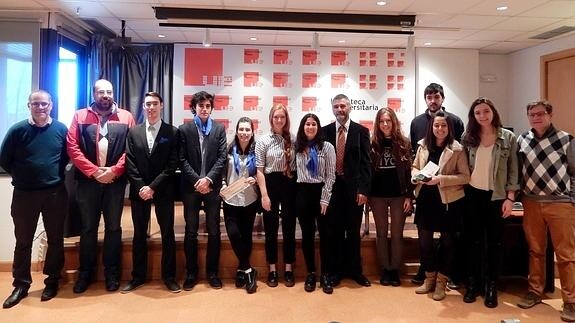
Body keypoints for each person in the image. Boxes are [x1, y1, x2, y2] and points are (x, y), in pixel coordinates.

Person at [0, 90, 68, 308]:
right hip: (24, 194)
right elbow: (4, 159)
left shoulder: (60, 129)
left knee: (56, 239)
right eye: (36, 104)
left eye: (44, 104)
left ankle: (52, 280)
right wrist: (23, 175)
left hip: (55, 194)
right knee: (23, 241)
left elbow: (66, 157)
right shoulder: (17, 130)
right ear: (28, 106)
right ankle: (21, 285)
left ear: (51, 105)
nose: (40, 108)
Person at [67, 79, 135, 293]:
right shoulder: (80, 116)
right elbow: (72, 147)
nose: (105, 95)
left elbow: (131, 149)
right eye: (101, 92)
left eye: (109, 91)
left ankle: (112, 273)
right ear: (94, 94)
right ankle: (85, 273)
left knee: (113, 228)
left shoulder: (126, 117)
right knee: (88, 228)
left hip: (115, 182)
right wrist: (94, 171)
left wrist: (114, 171)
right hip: (88, 183)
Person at [516, 100, 575, 322]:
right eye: (531, 114)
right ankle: (535, 292)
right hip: (531, 203)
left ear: (550, 114)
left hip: (560, 203)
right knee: (536, 250)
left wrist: (572, 201)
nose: (536, 118)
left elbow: (574, 172)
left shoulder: (566, 140)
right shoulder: (522, 139)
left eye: (540, 114)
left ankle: (570, 301)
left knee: (566, 255)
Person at [461, 97, 519, 308]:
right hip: (473, 196)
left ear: (493, 111)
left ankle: (491, 285)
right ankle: (472, 284)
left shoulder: (509, 138)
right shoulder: (468, 137)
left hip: (497, 197)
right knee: (473, 242)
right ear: (473, 116)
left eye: (486, 111)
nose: (482, 116)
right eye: (478, 113)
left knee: (495, 243)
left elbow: (514, 170)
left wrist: (510, 198)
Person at [121, 92, 180, 294]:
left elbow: (172, 165)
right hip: (139, 191)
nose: (151, 107)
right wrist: (141, 187)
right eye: (147, 104)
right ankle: (138, 276)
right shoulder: (134, 132)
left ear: (161, 105)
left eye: (155, 103)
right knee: (139, 235)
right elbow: (129, 162)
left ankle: (169, 277)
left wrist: (153, 186)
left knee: (167, 235)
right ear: (143, 107)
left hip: (163, 190)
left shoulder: (172, 132)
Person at [409, 82, 465, 286]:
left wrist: (442, 179)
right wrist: (417, 176)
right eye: (429, 97)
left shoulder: (456, 122)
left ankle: (445, 276)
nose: (433, 101)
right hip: (425, 194)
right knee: (424, 238)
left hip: (448, 195)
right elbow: (415, 159)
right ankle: (427, 274)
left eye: (437, 97)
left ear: (442, 98)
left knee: (449, 239)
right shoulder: (416, 124)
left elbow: (461, 162)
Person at [179, 91, 227, 290]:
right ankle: (191, 273)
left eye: (207, 105)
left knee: (214, 231)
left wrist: (208, 179)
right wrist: (197, 180)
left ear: (211, 108)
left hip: (212, 187)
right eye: (201, 106)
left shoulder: (219, 129)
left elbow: (222, 157)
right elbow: (181, 159)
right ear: (194, 108)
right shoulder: (184, 129)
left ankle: (213, 273)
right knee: (191, 232)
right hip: (191, 188)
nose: (204, 109)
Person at [322, 94, 371, 287]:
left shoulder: (361, 131)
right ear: (332, 109)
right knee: (334, 232)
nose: (340, 110)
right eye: (336, 107)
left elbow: (366, 163)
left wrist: (364, 190)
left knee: (352, 231)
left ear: (350, 107)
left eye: (343, 106)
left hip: (354, 191)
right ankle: (336, 271)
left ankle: (355, 271)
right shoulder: (324, 132)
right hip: (332, 189)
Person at [369, 107, 413, 287]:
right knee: (380, 233)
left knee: (396, 233)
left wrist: (409, 196)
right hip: (377, 195)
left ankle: (394, 269)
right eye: (382, 121)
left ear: (394, 122)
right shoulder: (372, 144)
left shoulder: (404, 142)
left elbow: (410, 172)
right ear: (377, 124)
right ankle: (385, 269)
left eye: (388, 121)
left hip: (398, 195)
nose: (385, 124)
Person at [255, 104, 297, 287]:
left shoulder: (294, 139)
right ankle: (272, 270)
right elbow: (259, 170)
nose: (279, 120)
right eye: (276, 117)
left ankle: (288, 269)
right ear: (271, 119)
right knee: (270, 230)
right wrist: (264, 195)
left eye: (282, 117)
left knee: (289, 229)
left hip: (289, 184)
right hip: (270, 185)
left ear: (286, 119)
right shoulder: (263, 141)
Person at [294, 113, 336, 294]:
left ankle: (325, 274)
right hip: (302, 193)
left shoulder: (326, 147)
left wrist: (325, 198)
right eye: (307, 124)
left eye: (313, 124)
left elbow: (331, 175)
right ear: (303, 127)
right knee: (307, 235)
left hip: (321, 192)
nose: (310, 127)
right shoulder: (297, 147)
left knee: (326, 236)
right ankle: (311, 272)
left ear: (318, 127)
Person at [221, 117, 259, 294]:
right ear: (236, 131)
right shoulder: (228, 149)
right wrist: (222, 184)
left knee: (246, 236)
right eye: (241, 129)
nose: (244, 133)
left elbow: (263, 172)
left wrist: (256, 179)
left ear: (252, 132)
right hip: (230, 199)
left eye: (247, 130)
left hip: (250, 199)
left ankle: (241, 269)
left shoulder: (257, 151)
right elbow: (222, 171)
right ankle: (250, 270)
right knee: (234, 234)